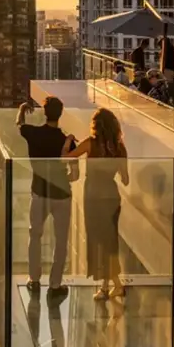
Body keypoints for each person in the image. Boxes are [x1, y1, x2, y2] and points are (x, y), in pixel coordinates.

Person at [62, 108, 129, 300]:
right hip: (112, 196)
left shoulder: (91, 144)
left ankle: (112, 285)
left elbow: (67, 157)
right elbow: (125, 179)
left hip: (93, 196)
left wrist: (67, 142)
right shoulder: (120, 147)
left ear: (96, 126)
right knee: (110, 241)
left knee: (98, 241)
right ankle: (110, 286)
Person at [16, 97, 74, 298]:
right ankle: (55, 285)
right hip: (62, 194)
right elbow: (74, 175)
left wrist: (22, 109)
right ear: (60, 114)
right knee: (61, 240)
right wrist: (62, 176)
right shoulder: (67, 140)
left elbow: (20, 125)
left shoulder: (33, 134)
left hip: (39, 191)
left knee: (35, 235)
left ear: (45, 113)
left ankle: (33, 280)